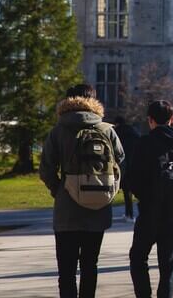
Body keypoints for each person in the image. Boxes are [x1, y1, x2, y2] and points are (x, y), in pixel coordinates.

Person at [40, 84, 125, 298]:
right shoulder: (106, 130)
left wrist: (59, 189)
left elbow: (46, 169)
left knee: (66, 271)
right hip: (98, 207)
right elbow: (121, 162)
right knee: (90, 266)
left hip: (66, 209)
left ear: (67, 102)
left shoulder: (58, 131)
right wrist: (109, 188)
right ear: (94, 102)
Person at [127, 100, 173, 298]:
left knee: (138, 259)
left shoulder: (143, 143)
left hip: (150, 213)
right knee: (168, 268)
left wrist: (146, 195)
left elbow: (133, 180)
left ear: (150, 120)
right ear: (172, 119)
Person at [114, 116, 140, 222]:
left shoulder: (117, 134)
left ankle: (129, 214)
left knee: (126, 191)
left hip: (124, 165)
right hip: (135, 164)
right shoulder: (134, 133)